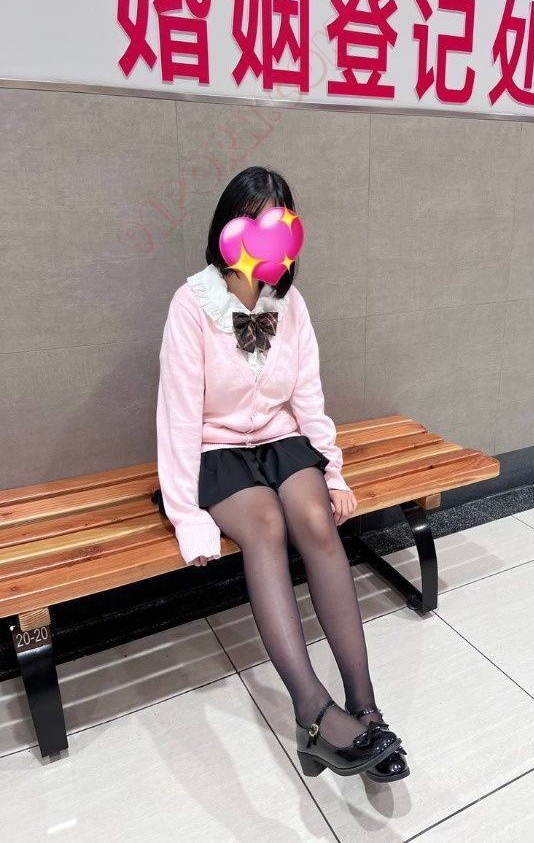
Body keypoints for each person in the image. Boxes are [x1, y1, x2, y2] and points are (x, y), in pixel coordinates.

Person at [155, 166, 408, 781]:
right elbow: (178, 416)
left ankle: (365, 707)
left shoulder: (289, 304)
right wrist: (188, 518)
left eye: (278, 223)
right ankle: (313, 714)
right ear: (228, 228)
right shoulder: (192, 305)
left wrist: (334, 473)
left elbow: (309, 398)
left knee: (317, 521)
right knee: (265, 526)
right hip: (217, 450)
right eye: (255, 222)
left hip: (280, 439)